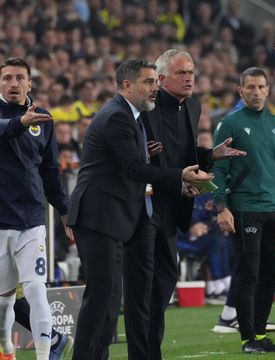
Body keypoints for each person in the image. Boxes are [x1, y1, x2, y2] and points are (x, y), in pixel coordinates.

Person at [66, 59, 213, 360]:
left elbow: (133, 165)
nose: (155, 88)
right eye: (148, 82)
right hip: (99, 217)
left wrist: (177, 181)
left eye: (155, 82)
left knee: (108, 299)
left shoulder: (129, 117)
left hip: (113, 219)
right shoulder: (118, 117)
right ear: (126, 85)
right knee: (102, 298)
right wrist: (179, 176)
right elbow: (133, 168)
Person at [140, 49, 245, 360]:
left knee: (163, 281)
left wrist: (210, 155)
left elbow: (183, 156)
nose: (188, 78)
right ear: (160, 79)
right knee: (147, 282)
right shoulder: (145, 108)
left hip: (173, 205)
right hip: (144, 204)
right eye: (181, 73)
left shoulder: (193, 107)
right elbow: (140, 160)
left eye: (191, 73)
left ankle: (150, 350)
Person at [213, 66, 275, 353]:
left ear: (268, 90)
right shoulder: (229, 124)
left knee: (271, 275)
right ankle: (247, 339)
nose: (256, 92)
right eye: (250, 87)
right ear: (241, 91)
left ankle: (258, 334)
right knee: (249, 274)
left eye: (261, 87)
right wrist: (221, 207)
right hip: (244, 209)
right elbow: (218, 170)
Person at [0, 57, 74, 360]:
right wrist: (20, 123)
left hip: (32, 218)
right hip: (0, 220)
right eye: (6, 78)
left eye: (19, 78)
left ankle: (46, 354)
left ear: (30, 83)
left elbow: (50, 169)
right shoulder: (10, 118)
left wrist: (64, 208)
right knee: (3, 301)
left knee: (35, 289)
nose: (13, 83)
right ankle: (7, 349)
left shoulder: (43, 118)